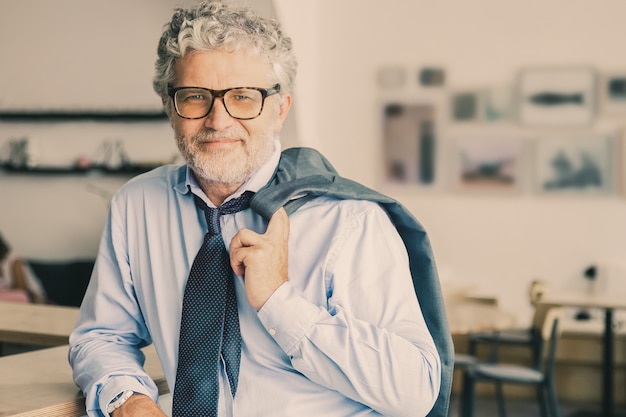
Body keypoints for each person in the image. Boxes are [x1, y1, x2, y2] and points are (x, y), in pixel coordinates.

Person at [68, 1, 451, 416]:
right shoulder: (138, 206)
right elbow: (102, 336)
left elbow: (415, 392)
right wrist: (128, 399)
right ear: (169, 106)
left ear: (280, 109)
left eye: (243, 97)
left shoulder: (348, 220)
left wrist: (279, 301)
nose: (218, 119)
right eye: (195, 97)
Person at [0, 233, 46, 304]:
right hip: (6, 301)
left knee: (21, 296)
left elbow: (22, 290)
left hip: (29, 299)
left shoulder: (14, 260)